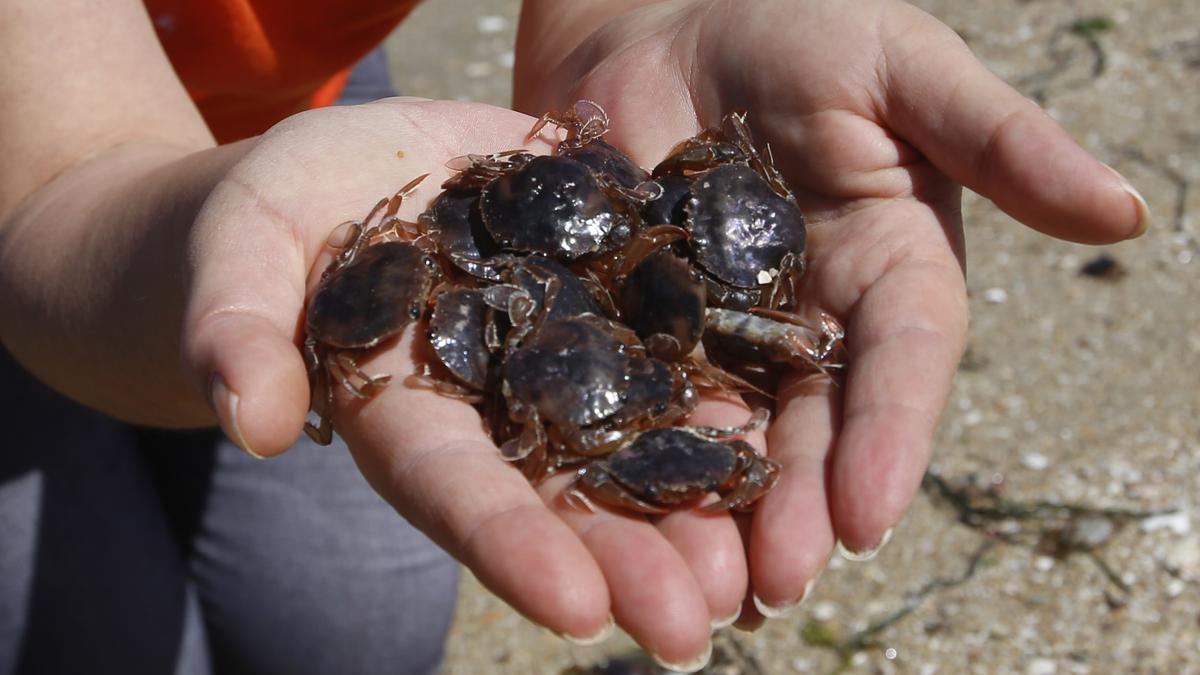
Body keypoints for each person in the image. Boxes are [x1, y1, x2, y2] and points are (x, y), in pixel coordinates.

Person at [0, 0, 1148, 673]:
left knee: (353, 622)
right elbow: (54, 189)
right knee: (96, 636)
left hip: (314, 91)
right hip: (54, 181)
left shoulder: (613, 263)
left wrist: (655, 18)